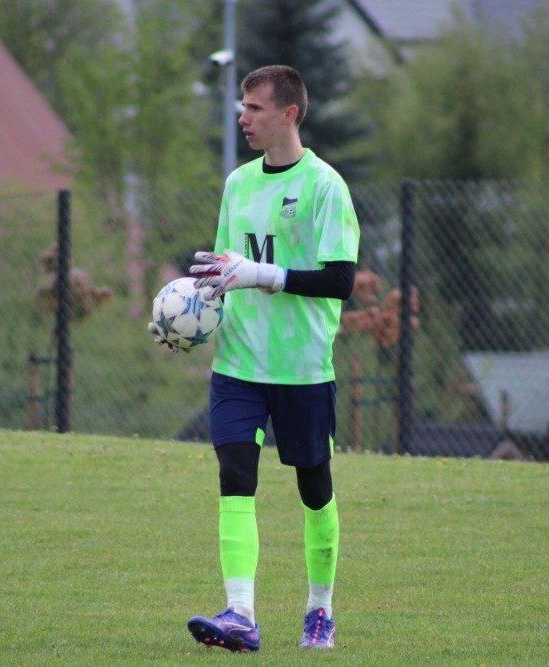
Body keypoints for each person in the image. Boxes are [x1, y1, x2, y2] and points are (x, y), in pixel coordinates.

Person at [147, 64, 359, 652]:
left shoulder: (325, 187)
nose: (243, 117)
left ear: (289, 114)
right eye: (243, 106)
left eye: (255, 108)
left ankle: (320, 609)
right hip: (238, 365)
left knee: (314, 489)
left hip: (301, 368)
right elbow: (223, 274)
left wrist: (263, 274)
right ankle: (240, 614)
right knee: (235, 478)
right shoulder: (238, 183)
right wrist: (181, 322)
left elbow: (340, 281)